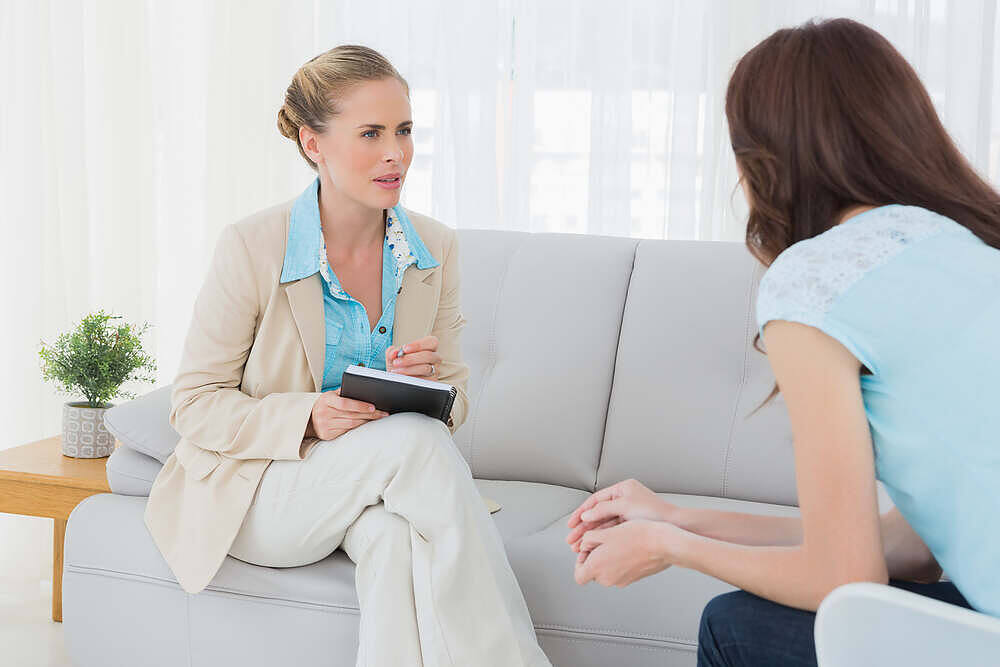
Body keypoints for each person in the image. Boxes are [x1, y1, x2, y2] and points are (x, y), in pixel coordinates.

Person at [564, 18, 1000, 666]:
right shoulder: (966, 246)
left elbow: (842, 577)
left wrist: (670, 549)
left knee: (733, 626)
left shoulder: (815, 278)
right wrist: (676, 518)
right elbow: (903, 548)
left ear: (766, 158)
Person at [144, 44, 551, 667]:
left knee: (396, 543)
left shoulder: (433, 250)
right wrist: (309, 414)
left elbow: (456, 401)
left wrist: (424, 384)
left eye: (404, 130)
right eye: (371, 133)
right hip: (261, 490)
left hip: (375, 488)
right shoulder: (253, 246)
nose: (397, 153)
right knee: (418, 446)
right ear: (313, 143)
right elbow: (193, 405)